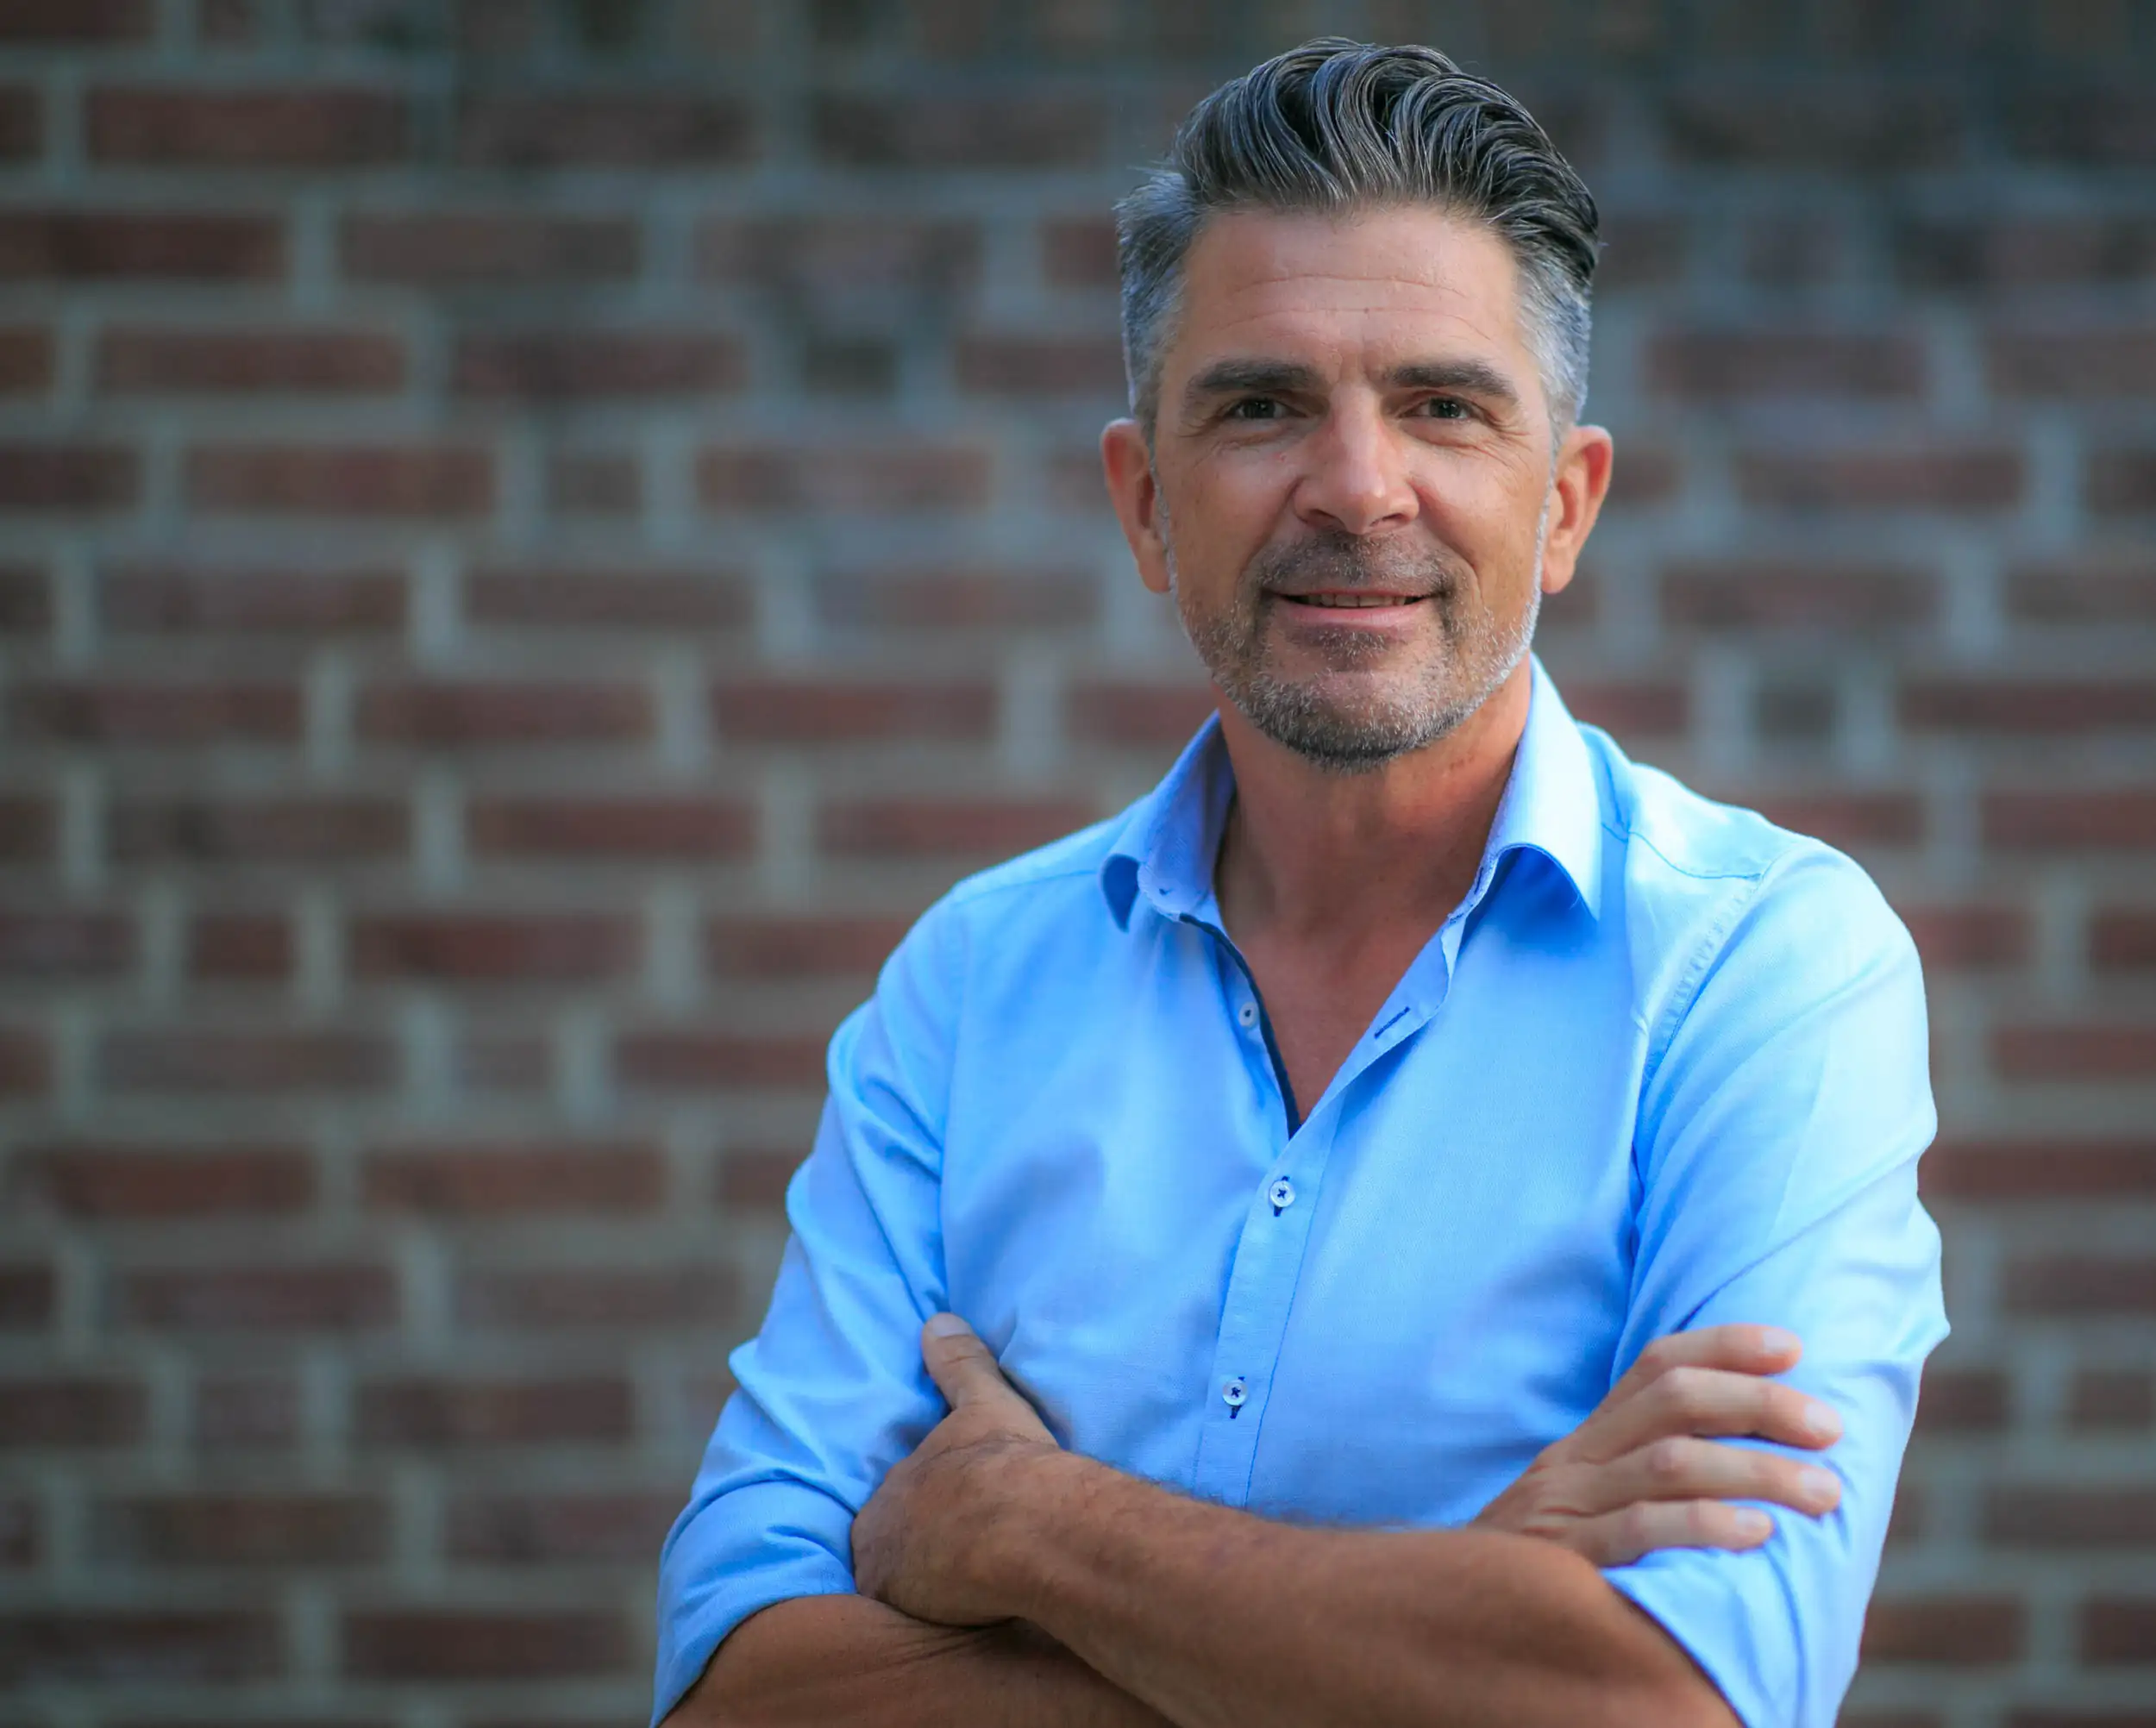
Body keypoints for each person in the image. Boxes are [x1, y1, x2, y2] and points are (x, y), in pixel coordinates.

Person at [652, 40, 1946, 1728]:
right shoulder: (969, 988)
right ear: (1142, 507)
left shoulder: (1766, 970)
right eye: (1259, 406)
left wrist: (1039, 1533)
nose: (1353, 487)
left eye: (1441, 405)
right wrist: (1451, 1599)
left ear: (1561, 506)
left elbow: (1669, 1708)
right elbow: (737, 1693)